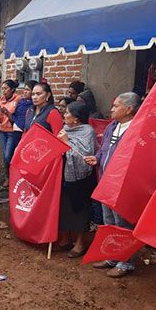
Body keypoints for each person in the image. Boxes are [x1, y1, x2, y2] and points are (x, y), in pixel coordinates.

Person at [84, 92, 142, 278]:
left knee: (122, 224)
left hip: (123, 185)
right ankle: (112, 257)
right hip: (106, 181)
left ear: (129, 109)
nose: (111, 109)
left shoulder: (137, 129)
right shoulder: (112, 126)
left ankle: (126, 262)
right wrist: (97, 158)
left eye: (116, 106)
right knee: (108, 221)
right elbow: (104, 149)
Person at [56, 102, 96, 258]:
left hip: (81, 179)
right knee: (64, 206)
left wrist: (66, 143)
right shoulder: (65, 129)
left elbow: (84, 157)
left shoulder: (88, 132)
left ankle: (79, 243)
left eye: (67, 113)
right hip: (64, 175)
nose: (64, 115)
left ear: (77, 118)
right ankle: (65, 238)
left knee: (79, 209)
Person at [0, 79, 22, 183]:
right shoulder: (1, 100)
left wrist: (8, 113)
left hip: (13, 131)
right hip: (3, 130)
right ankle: (8, 178)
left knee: (9, 156)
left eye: (6, 88)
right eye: (2, 88)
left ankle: (15, 177)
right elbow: (1, 119)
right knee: (5, 156)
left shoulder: (18, 99)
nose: (4, 91)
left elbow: (17, 117)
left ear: (12, 89)